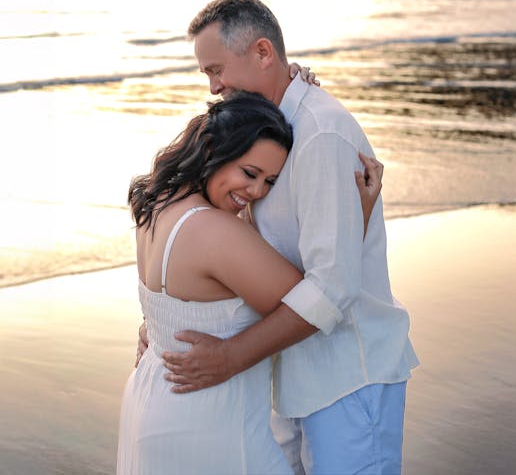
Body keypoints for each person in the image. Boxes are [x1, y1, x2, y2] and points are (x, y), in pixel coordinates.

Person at [163, 0, 419, 474]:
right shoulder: (271, 128)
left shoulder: (320, 134)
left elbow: (332, 287)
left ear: (263, 53)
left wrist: (230, 358)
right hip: (292, 372)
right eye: (207, 75)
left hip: (347, 374)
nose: (215, 87)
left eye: (217, 70)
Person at [117, 92, 384, 473]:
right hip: (209, 423)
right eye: (250, 173)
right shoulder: (216, 232)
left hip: (153, 399)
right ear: (213, 150)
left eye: (271, 181)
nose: (257, 192)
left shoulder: (157, 203)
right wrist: (357, 214)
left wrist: (153, 329)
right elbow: (316, 303)